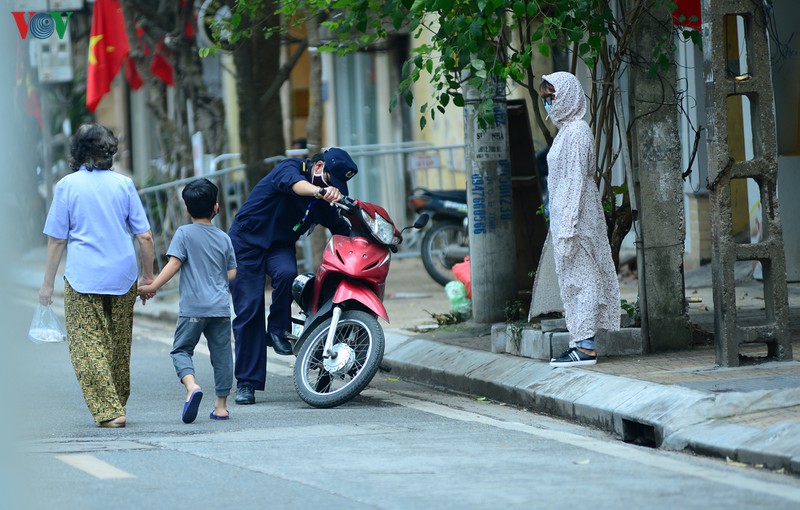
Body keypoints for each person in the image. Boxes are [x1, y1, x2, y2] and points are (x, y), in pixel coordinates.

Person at [39, 123, 155, 427]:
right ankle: (117, 400)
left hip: (83, 278)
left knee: (86, 343)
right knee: (118, 343)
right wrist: (148, 276)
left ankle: (109, 410)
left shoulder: (67, 186)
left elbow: (57, 240)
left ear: (79, 151)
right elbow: (145, 237)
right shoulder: (124, 184)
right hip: (123, 274)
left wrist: (47, 284)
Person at [229, 148, 357, 404]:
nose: (332, 189)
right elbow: (297, 187)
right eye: (332, 181)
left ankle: (277, 330)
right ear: (319, 166)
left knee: (288, 274)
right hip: (246, 242)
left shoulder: (324, 203)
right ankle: (247, 384)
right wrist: (320, 190)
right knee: (249, 311)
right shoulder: (291, 169)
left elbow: (343, 229)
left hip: (279, 246)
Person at [538, 72, 620, 367]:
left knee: (583, 281)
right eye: (545, 98)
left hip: (578, 220)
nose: (548, 104)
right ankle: (579, 342)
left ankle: (585, 346)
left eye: (552, 97)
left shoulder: (577, 133)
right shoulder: (567, 131)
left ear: (569, 96)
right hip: (567, 218)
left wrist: (569, 227)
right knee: (573, 281)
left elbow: (574, 183)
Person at [138, 178, 237, 423]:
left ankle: (192, 386)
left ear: (186, 207)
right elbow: (233, 272)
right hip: (220, 308)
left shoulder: (183, 234)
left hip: (193, 308)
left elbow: (173, 265)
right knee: (222, 356)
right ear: (216, 207)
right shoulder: (224, 238)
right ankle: (221, 407)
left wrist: (152, 287)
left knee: (181, 350)